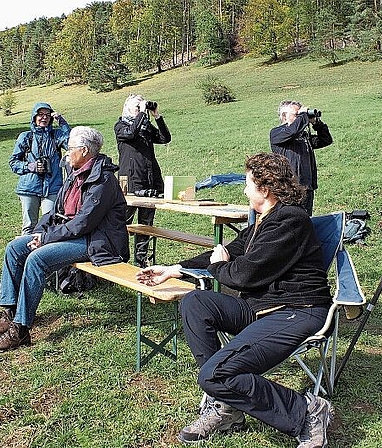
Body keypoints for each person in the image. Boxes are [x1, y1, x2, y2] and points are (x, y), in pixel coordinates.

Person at [136, 153, 334, 447]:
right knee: (195, 303)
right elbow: (230, 250)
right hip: (262, 308)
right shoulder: (264, 221)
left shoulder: (291, 220)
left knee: (214, 375)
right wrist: (174, 269)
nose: (244, 190)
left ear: (264, 189)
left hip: (297, 311)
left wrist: (218, 266)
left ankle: (306, 410)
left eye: (247, 184)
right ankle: (226, 407)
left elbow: (242, 274)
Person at [0, 126, 130, 351]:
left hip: (96, 242)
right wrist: (38, 233)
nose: (66, 152)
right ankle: (10, 314)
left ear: (84, 151)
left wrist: (47, 239)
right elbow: (54, 213)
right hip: (72, 234)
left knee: (37, 259)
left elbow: (83, 223)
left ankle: (20, 330)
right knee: (14, 248)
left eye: (70, 149)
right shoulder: (75, 173)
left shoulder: (104, 180)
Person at [114, 93, 171, 267]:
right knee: (122, 221)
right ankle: (117, 257)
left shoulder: (144, 125)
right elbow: (131, 134)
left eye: (141, 106)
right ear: (127, 108)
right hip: (128, 180)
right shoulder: (120, 126)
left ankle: (141, 260)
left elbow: (164, 138)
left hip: (149, 179)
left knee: (146, 223)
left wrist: (157, 116)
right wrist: (141, 113)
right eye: (137, 106)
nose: (141, 109)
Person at [9, 102, 71, 235]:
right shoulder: (26, 137)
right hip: (29, 188)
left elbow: (72, 143)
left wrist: (62, 122)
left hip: (52, 187)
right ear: (34, 116)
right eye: (41, 114)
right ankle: (25, 254)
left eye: (47, 115)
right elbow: (13, 162)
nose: (44, 118)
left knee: (49, 226)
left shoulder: (56, 135)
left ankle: (44, 255)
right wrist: (30, 166)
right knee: (29, 227)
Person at [270, 100, 333, 216]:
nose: (300, 117)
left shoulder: (304, 137)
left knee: (305, 221)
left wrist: (316, 123)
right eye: (296, 114)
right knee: (291, 222)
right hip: (288, 189)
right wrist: (303, 115)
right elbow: (292, 131)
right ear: (284, 116)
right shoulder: (277, 133)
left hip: (307, 187)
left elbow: (326, 140)